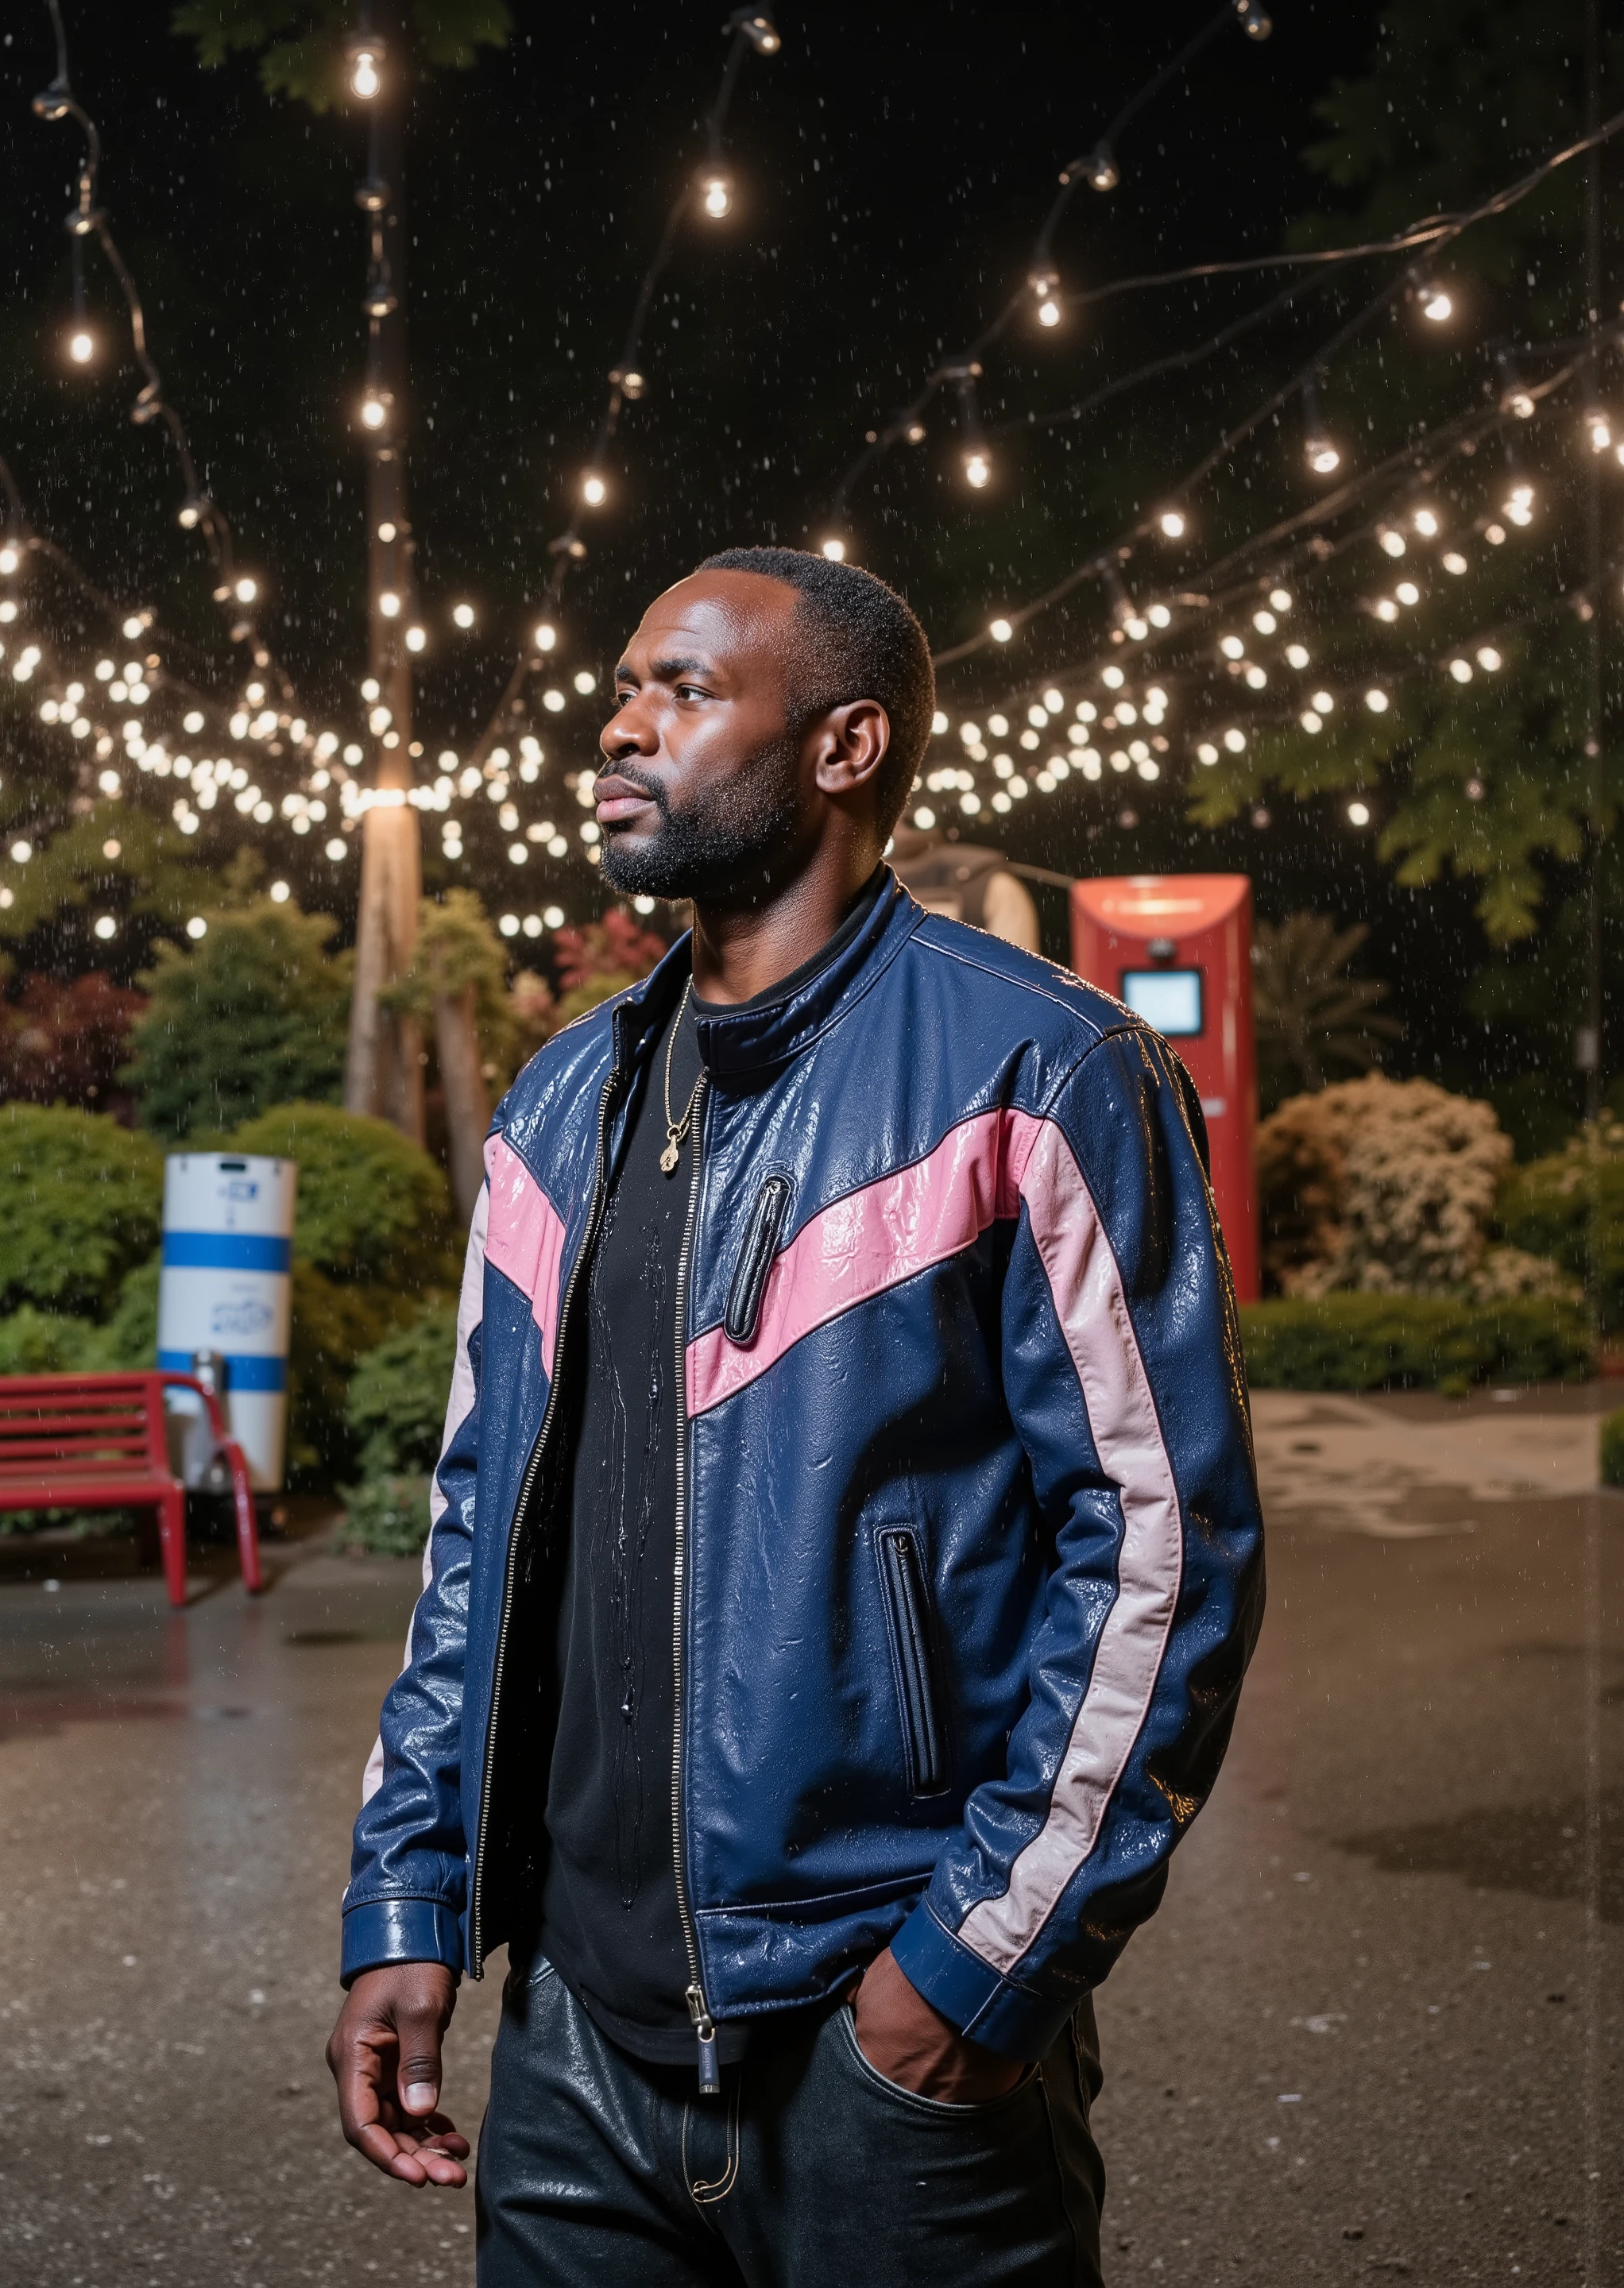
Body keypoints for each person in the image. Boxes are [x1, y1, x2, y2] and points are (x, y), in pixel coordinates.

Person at [328, 547, 1266, 2286]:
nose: (618, 727)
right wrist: (411, 1901)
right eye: (622, 687)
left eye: (683, 690)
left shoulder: (1039, 1070)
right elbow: (474, 1538)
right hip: (572, 2060)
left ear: (845, 749)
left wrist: (966, 1981)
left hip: (880, 2050)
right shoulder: (552, 1108)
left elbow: (1165, 1553)